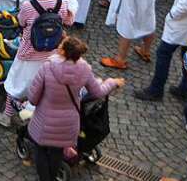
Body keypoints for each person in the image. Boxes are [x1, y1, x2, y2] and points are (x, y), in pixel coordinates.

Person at [26, 36, 124, 181]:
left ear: (63, 51)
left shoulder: (47, 67)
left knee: (41, 150)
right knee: (56, 152)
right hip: (68, 123)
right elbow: (97, 92)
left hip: (44, 122)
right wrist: (112, 82)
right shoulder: (84, 69)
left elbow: (33, 99)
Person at [0, 0, 75, 126]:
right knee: (40, 85)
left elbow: (21, 22)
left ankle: (7, 116)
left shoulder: (29, 6)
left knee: (15, 83)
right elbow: (69, 20)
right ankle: (31, 115)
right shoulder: (61, 4)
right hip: (50, 53)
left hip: (28, 52)